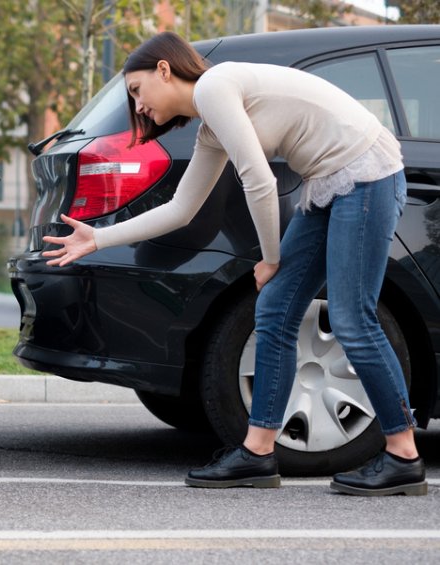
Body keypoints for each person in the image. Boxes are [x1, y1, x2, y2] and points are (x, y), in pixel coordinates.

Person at [43, 32, 426, 496]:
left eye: (137, 90)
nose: (138, 106)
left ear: (165, 69)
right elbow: (181, 209)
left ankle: (403, 455)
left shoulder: (214, 86)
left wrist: (269, 260)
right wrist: (98, 238)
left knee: (351, 317)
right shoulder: (211, 125)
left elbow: (260, 183)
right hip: (331, 184)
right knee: (276, 310)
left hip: (366, 176)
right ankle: (258, 452)